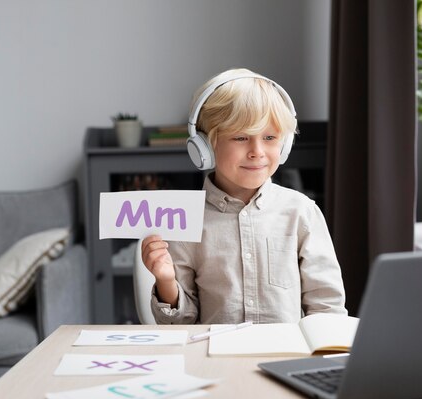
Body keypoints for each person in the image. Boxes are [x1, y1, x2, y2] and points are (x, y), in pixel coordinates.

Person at [141, 68, 347, 324]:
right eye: (240, 137)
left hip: (285, 358)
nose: (257, 151)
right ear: (205, 147)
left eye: (270, 137)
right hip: (213, 360)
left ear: (284, 146)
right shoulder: (186, 220)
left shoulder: (301, 212)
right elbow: (181, 325)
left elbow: (328, 309)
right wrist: (165, 281)